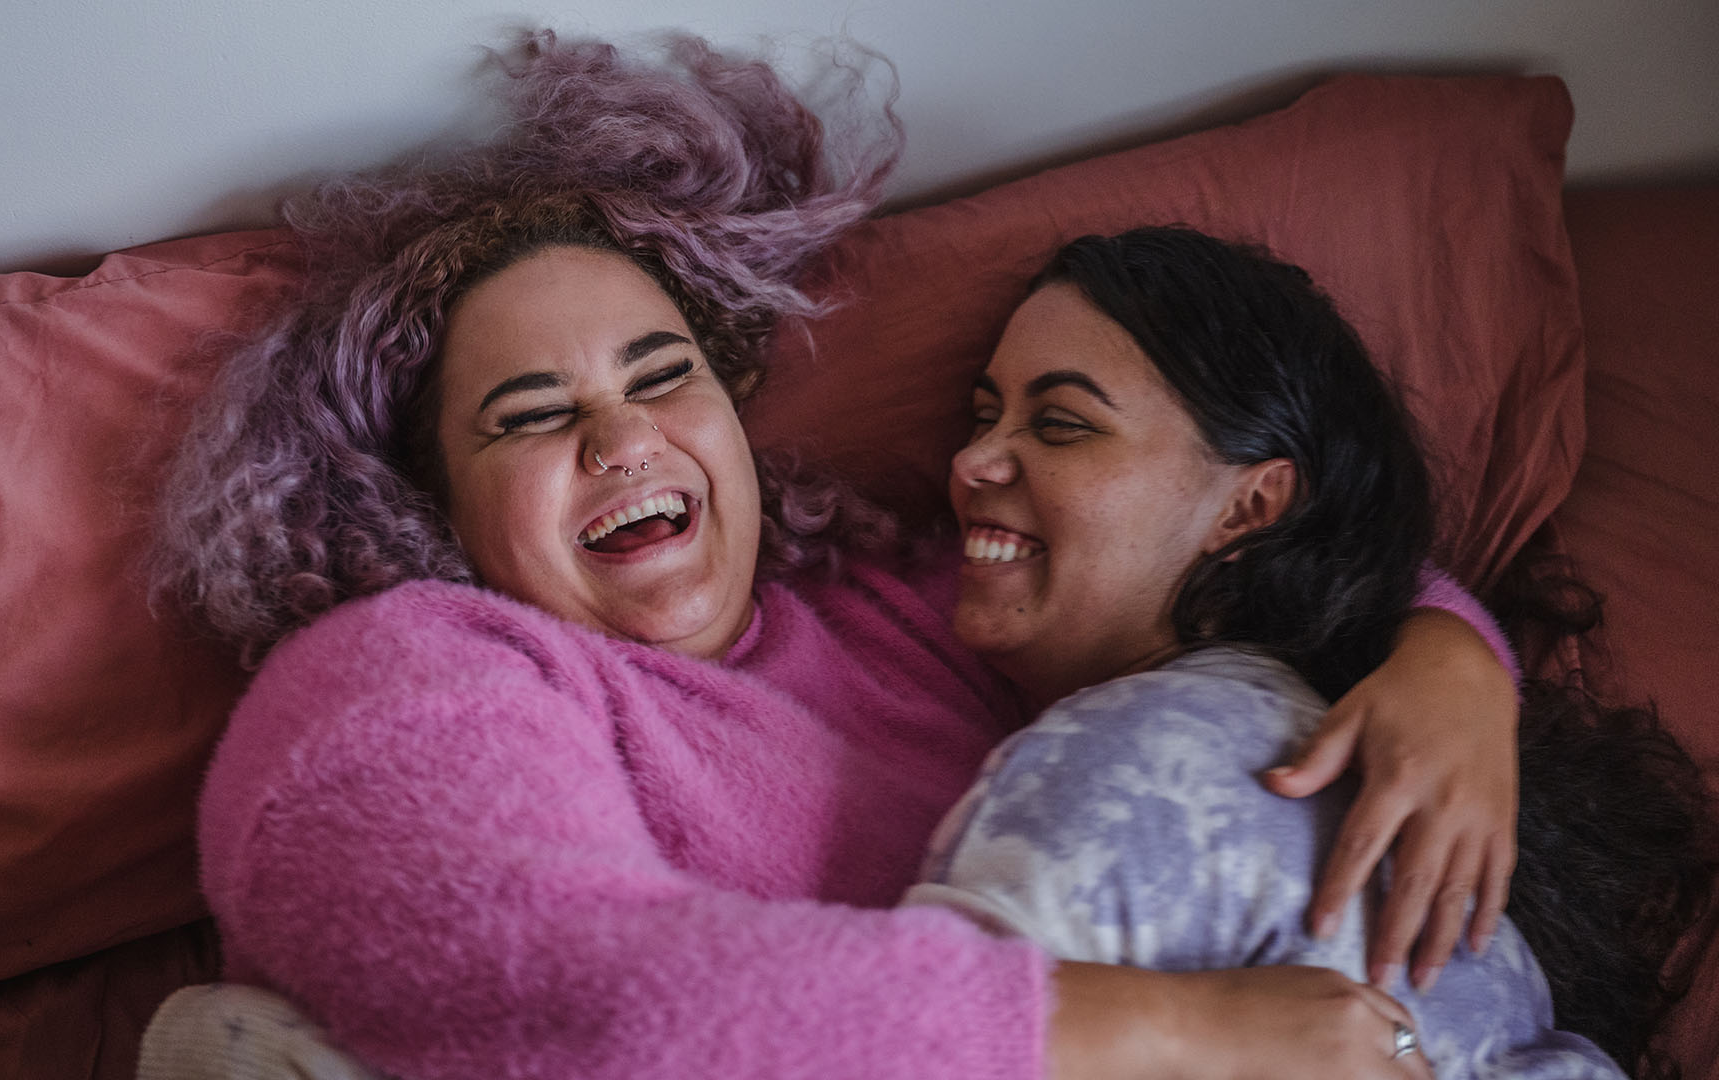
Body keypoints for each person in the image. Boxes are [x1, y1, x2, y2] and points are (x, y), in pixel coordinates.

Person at [145, 33, 1524, 1080]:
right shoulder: (404, 676)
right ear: (431, 504)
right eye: (534, 416)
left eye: (662, 376)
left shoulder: (909, 607)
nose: (623, 440)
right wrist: (1175, 1031)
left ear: (737, 420)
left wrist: (1450, 664)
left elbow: (1196, 566)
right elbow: (580, 1001)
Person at [905, 227, 1711, 1079]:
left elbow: (908, 1050)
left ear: (1250, 506)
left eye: (1062, 424)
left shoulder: (1124, 764)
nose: (971, 460)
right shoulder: (1312, 720)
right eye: (985, 414)